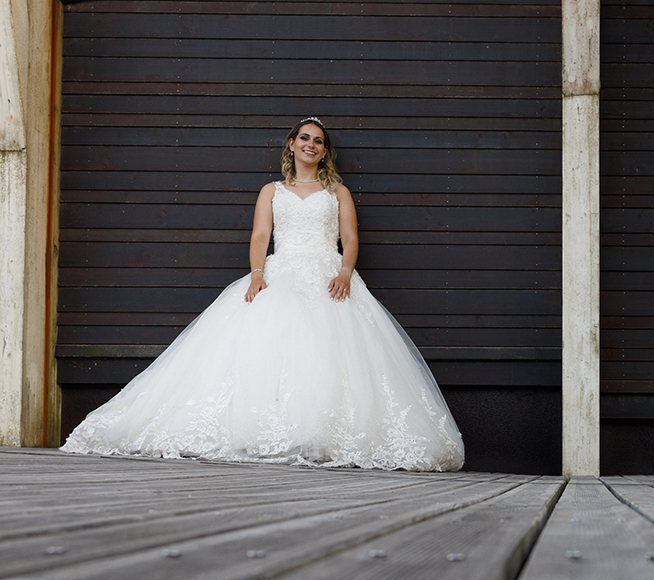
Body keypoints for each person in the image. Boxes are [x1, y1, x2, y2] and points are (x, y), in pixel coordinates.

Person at [62, 118, 465, 471]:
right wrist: (257, 274)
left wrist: (345, 271)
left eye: (318, 141)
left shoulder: (337, 192)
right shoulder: (272, 190)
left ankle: (325, 436)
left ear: (325, 151)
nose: (311, 145)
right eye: (304, 138)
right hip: (280, 273)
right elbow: (260, 236)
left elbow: (350, 237)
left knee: (334, 354)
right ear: (291, 144)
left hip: (329, 277)